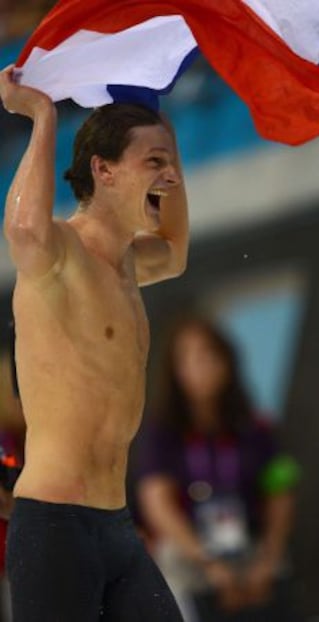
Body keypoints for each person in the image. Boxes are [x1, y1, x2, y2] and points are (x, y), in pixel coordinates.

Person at [0, 63, 189, 621]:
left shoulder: (133, 265)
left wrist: (164, 131)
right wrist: (41, 115)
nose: (172, 177)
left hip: (116, 523)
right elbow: (24, 229)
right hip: (55, 525)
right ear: (103, 170)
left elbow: (174, 250)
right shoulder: (58, 254)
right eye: (154, 163)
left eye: (171, 164)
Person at [135, 316, 301, 622]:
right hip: (191, 553)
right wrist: (208, 563)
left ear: (227, 360)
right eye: (188, 356)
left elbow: (282, 488)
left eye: (208, 353)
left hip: (252, 549)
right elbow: (156, 502)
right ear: (174, 370)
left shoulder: (257, 427)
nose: (200, 365)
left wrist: (270, 556)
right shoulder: (162, 433)